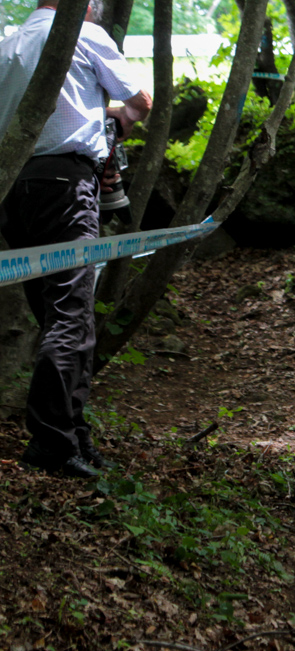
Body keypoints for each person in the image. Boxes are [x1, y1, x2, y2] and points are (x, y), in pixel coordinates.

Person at [0, 0, 151, 478]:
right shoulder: (85, 34)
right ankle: (51, 441)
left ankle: (73, 438)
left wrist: (94, 108)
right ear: (86, 6)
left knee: (54, 313)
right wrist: (119, 119)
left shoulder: (10, 43)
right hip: (66, 185)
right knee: (70, 314)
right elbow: (141, 101)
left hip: (14, 188)